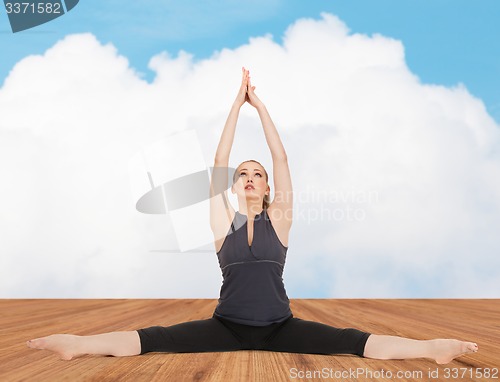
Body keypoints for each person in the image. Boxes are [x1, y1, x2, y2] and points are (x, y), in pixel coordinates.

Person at [27, 67, 478, 365]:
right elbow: (219, 158)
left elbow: (281, 158)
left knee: (352, 342)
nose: (249, 176)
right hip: (225, 325)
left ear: (266, 188)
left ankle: (432, 348)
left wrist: (259, 107)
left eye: (256, 174)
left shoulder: (279, 220)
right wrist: (233, 105)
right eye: (242, 173)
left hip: (281, 327)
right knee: (155, 337)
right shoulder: (224, 222)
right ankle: (79, 345)